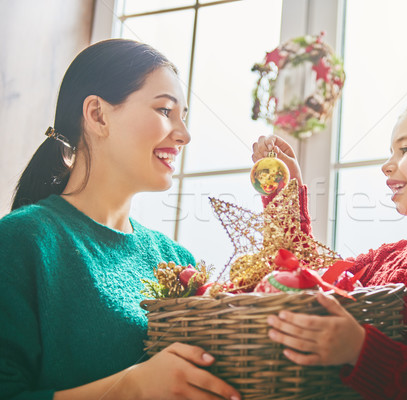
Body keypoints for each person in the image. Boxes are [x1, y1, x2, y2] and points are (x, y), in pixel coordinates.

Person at [0, 39, 241, 400]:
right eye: (164, 110)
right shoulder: (23, 241)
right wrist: (131, 388)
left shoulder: (176, 261)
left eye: (184, 116)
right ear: (97, 115)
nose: (185, 135)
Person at [251, 91, 407, 400]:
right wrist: (286, 189)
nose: (387, 166)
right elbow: (305, 277)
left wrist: (360, 349)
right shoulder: (385, 255)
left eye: (405, 148)